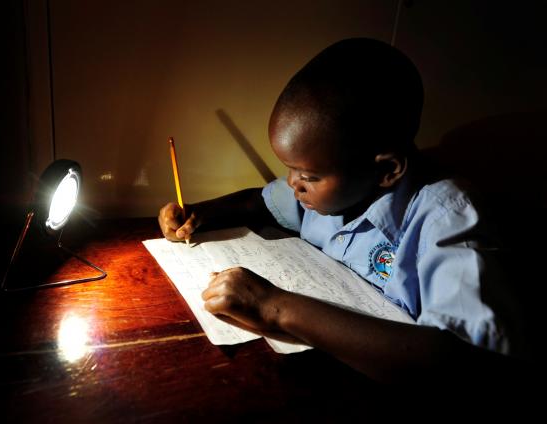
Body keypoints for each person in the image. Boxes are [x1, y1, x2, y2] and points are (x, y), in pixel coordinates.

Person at [157, 38, 521, 385]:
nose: (293, 183)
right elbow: (259, 201)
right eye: (290, 168)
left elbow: (460, 362)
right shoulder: (327, 189)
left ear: (387, 170)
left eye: (308, 175)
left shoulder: (447, 218)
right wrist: (198, 214)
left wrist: (276, 307)